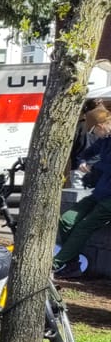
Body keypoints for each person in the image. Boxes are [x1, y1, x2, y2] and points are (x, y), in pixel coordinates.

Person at [54, 106, 111, 279]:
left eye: (94, 131)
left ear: (102, 125)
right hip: (99, 192)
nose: (93, 135)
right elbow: (86, 153)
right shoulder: (105, 140)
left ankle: (56, 263)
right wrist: (82, 161)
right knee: (67, 220)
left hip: (109, 199)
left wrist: (93, 166)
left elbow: (106, 166)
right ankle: (73, 263)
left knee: (83, 226)